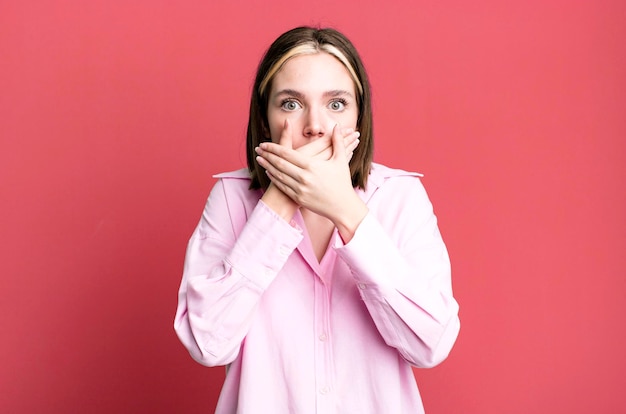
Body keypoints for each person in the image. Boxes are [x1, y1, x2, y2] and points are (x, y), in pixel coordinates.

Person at [174, 26, 460, 413]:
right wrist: (280, 199)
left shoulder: (399, 198)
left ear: (360, 114)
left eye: (336, 104)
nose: (315, 125)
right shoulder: (230, 199)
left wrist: (346, 210)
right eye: (291, 103)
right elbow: (207, 343)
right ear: (264, 119)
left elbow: (430, 345)